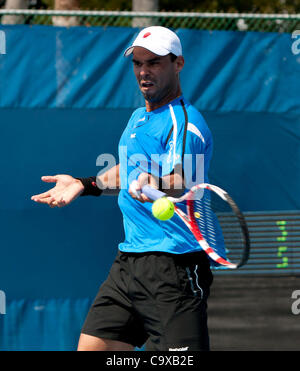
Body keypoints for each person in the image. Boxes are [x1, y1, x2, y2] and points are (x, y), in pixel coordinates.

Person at [31, 26, 214, 351]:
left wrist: (154, 183)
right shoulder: (137, 119)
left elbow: (182, 179)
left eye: (155, 63)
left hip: (174, 267)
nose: (144, 71)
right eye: (138, 63)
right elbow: (127, 171)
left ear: (178, 64)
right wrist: (83, 184)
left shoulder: (185, 121)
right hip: (130, 261)